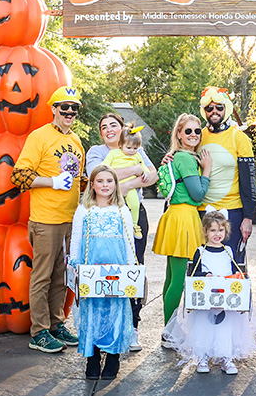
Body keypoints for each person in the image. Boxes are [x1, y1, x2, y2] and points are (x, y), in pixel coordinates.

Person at [11, 86, 85, 353]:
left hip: (70, 221)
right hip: (45, 221)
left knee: (60, 277)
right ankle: (39, 332)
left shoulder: (76, 141)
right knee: (42, 277)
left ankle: (56, 324)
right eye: (63, 107)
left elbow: (80, 179)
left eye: (73, 108)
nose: (68, 112)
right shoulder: (39, 137)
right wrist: (51, 181)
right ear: (54, 109)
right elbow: (18, 176)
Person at [86, 113, 157, 351]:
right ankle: (104, 327)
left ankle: (133, 326)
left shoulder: (134, 147)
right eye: (103, 126)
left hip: (135, 216)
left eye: (113, 125)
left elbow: (153, 174)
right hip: (105, 217)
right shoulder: (97, 152)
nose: (108, 129)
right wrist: (134, 173)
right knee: (106, 270)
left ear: (122, 128)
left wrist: (126, 183)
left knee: (134, 268)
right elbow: (98, 177)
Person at [163, 211, 256, 375]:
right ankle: (202, 356)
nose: (217, 234)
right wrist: (205, 276)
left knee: (225, 327)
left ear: (226, 231)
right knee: (204, 326)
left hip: (225, 299)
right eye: (213, 230)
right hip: (206, 299)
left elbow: (235, 272)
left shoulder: (229, 251)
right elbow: (194, 274)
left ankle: (226, 357)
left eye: (221, 230)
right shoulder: (200, 252)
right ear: (206, 232)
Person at [69, 165, 136, 380]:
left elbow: (128, 241)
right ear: (92, 184)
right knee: (92, 310)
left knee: (115, 310)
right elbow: (76, 239)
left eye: (109, 181)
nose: (105, 185)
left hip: (116, 268)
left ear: (115, 185)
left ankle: (114, 357)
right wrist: (75, 265)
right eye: (100, 181)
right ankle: (93, 357)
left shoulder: (121, 210)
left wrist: (131, 266)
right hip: (91, 267)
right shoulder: (84, 210)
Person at [152, 114, 212, 325]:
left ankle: (169, 326)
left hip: (176, 216)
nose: (194, 135)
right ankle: (169, 329)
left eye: (197, 131)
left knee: (171, 276)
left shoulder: (178, 156)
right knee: (178, 279)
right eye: (188, 131)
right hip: (184, 218)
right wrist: (207, 170)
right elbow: (197, 194)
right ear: (178, 134)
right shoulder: (186, 158)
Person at [198, 86, 256, 264]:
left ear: (227, 109)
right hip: (202, 210)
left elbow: (249, 181)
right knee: (202, 267)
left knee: (233, 265)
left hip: (232, 211)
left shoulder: (238, 137)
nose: (214, 111)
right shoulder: (197, 136)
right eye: (210, 108)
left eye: (219, 107)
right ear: (204, 111)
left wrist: (248, 217)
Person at [102, 125, 149, 239]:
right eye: (128, 148)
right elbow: (104, 166)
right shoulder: (114, 154)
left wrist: (146, 172)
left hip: (131, 187)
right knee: (116, 207)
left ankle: (134, 225)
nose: (132, 151)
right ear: (120, 145)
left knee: (135, 204)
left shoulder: (137, 156)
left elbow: (144, 166)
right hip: (116, 187)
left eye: (135, 148)